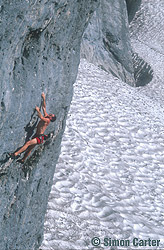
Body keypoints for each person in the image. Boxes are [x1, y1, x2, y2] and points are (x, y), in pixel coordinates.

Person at [10, 92, 56, 163]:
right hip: (37, 136)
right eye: (51, 114)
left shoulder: (47, 120)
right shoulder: (47, 116)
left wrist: (38, 110)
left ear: (51, 118)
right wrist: (43, 98)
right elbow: (44, 107)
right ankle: (23, 160)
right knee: (29, 149)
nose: (50, 114)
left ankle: (15, 154)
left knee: (28, 143)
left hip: (39, 137)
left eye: (51, 115)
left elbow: (41, 117)